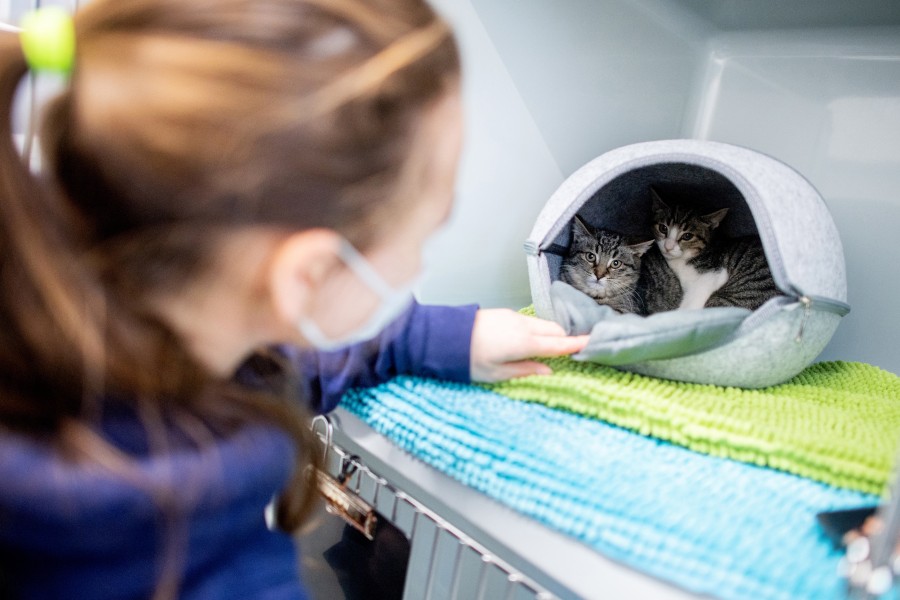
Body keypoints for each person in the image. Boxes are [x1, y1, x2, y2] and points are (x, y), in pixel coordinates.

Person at [0, 1, 587, 598]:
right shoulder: (185, 562)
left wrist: (436, 336)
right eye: (424, 233)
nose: (417, 263)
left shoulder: (91, 324)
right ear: (306, 275)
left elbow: (279, 363)